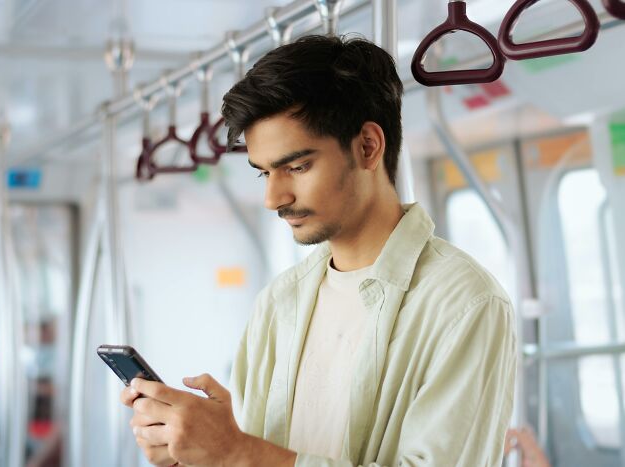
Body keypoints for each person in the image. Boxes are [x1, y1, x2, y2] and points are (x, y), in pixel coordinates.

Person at [120, 34, 516, 467]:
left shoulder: (463, 303)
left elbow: (252, 457)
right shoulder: (279, 301)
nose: (274, 198)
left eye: (297, 166)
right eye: (263, 173)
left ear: (367, 147)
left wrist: (237, 451)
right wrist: (198, 453)